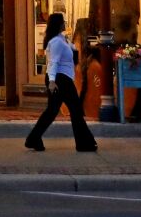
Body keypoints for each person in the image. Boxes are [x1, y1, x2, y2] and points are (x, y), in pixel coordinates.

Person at [25, 12, 97, 152]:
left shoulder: (61, 39)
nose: (65, 23)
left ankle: (33, 138)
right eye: (63, 21)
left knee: (52, 111)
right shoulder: (56, 42)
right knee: (75, 109)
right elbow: (53, 62)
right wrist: (52, 81)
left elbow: (74, 51)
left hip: (63, 78)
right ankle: (84, 143)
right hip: (59, 79)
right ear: (58, 24)